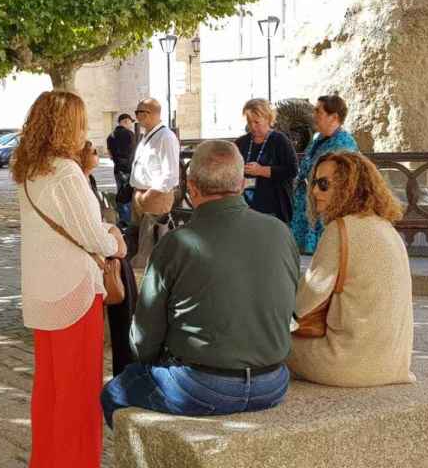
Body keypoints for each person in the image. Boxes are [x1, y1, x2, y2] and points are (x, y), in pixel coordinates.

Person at [101, 140, 297, 426]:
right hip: (273, 382)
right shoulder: (280, 232)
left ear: (191, 188)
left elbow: (143, 342)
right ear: (242, 183)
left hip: (201, 384)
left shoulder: (175, 244)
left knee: (113, 393)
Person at [14, 91, 127, 468]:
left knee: (49, 391)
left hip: (42, 292)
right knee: (78, 394)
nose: (86, 129)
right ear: (66, 126)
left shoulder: (31, 169)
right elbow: (93, 237)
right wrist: (115, 238)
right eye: (81, 122)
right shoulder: (65, 171)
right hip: (73, 293)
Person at [288, 151, 415, 387]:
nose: (314, 191)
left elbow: (307, 301)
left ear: (349, 187)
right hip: (394, 364)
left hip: (348, 364)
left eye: (323, 184)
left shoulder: (341, 229)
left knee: (271, 343)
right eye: (313, 183)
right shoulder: (386, 227)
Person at [80, 141, 138, 377]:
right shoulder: (77, 183)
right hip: (101, 256)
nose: (98, 154)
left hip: (106, 251)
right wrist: (114, 236)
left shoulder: (89, 180)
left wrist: (112, 230)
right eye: (93, 151)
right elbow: (89, 227)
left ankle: (127, 365)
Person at [290, 94, 359, 254]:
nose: (314, 116)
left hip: (326, 209)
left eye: (318, 111)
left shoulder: (344, 144)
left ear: (333, 116)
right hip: (308, 208)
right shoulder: (318, 138)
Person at [128, 98, 180, 268]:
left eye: (139, 112)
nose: (136, 116)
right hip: (141, 194)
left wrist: (149, 194)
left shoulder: (166, 137)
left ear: (150, 113)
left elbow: (171, 174)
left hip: (154, 196)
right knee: (140, 244)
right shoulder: (148, 136)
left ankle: (150, 283)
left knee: (151, 247)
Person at [234, 99, 298, 224]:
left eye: (256, 122)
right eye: (249, 122)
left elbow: (292, 170)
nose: (252, 126)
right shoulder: (241, 142)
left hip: (274, 209)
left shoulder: (280, 141)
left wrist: (261, 171)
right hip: (245, 209)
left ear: (268, 119)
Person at [106, 114, 136, 225]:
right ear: (125, 121)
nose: (131, 124)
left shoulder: (111, 136)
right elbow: (135, 153)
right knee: (129, 194)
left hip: (117, 169)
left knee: (121, 193)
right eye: (130, 122)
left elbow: (110, 154)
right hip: (128, 169)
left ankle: (123, 220)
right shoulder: (129, 134)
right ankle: (130, 221)